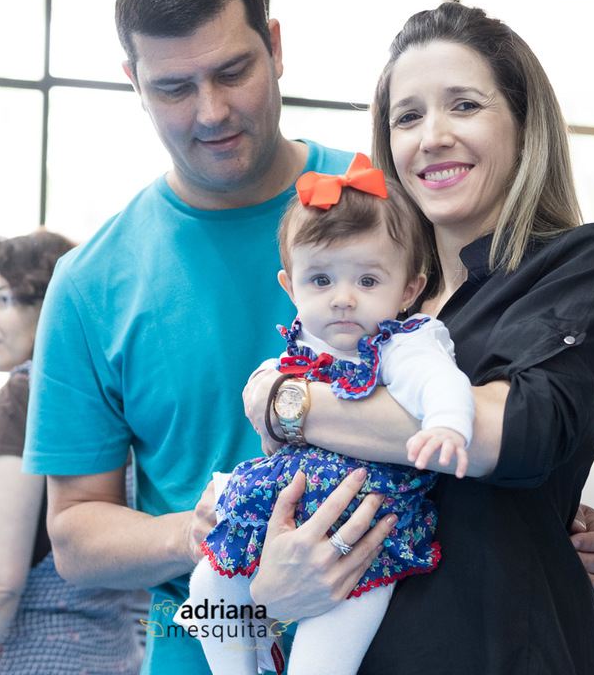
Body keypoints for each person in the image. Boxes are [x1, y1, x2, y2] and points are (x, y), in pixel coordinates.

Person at [23, 0, 594, 674]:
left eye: (233, 71)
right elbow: (75, 537)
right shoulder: (90, 282)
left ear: (274, 48)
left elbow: (510, 401)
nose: (211, 111)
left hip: (407, 625)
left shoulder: (390, 202)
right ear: (134, 84)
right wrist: (233, 546)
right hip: (210, 626)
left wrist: (535, 524)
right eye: (174, 87)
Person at [242, 1, 594, 673]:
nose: (432, 136)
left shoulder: (580, 261)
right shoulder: (377, 301)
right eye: (408, 116)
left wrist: (292, 407)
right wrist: (267, 585)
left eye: (464, 106)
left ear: (522, 123)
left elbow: (520, 433)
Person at [182, 153, 474, 675]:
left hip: (364, 534)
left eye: (367, 281)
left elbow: (439, 382)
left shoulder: (401, 345)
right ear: (289, 287)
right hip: (285, 512)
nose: (342, 299)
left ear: (409, 289)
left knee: (320, 664)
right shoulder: (295, 352)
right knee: (207, 586)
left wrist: (447, 424)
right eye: (320, 280)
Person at [0, 230, 141, 675]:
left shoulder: (24, 397)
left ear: (54, 305)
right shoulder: (108, 396)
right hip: (111, 655)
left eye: (3, 300)